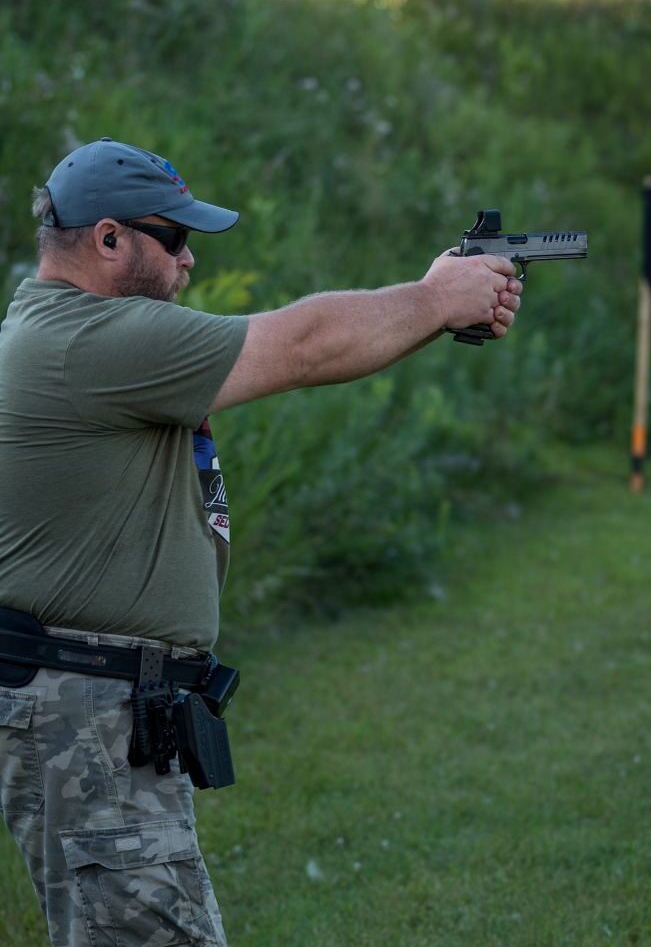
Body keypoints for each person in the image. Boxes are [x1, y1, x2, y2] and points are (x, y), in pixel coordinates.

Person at [0, 137, 522, 946]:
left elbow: (323, 349)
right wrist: (433, 298)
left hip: (99, 710)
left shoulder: (72, 335)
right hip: (88, 717)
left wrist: (438, 301)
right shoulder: (93, 341)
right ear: (108, 240)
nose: (187, 263)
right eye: (173, 240)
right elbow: (303, 345)